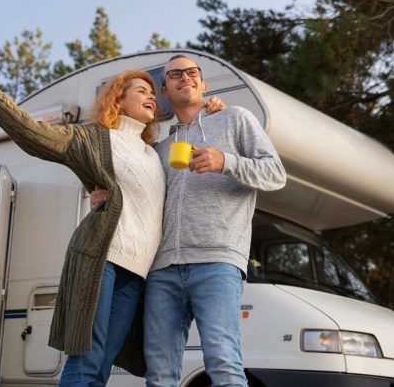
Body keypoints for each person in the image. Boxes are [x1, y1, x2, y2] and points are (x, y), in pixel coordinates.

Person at [0, 62, 223, 386]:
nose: (151, 98)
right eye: (141, 91)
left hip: (137, 273)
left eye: (153, 94)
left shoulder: (155, 153)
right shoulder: (96, 139)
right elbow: (33, 134)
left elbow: (192, 146)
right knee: (87, 358)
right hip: (103, 258)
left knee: (102, 366)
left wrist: (213, 112)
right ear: (118, 100)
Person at [92, 54, 287, 386]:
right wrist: (107, 198)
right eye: (174, 74)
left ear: (203, 84)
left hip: (217, 261)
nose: (185, 77)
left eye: (192, 72)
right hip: (163, 271)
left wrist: (225, 161)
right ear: (165, 92)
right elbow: (144, 200)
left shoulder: (234, 119)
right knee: (160, 375)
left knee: (224, 365)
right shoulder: (160, 148)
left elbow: (275, 174)